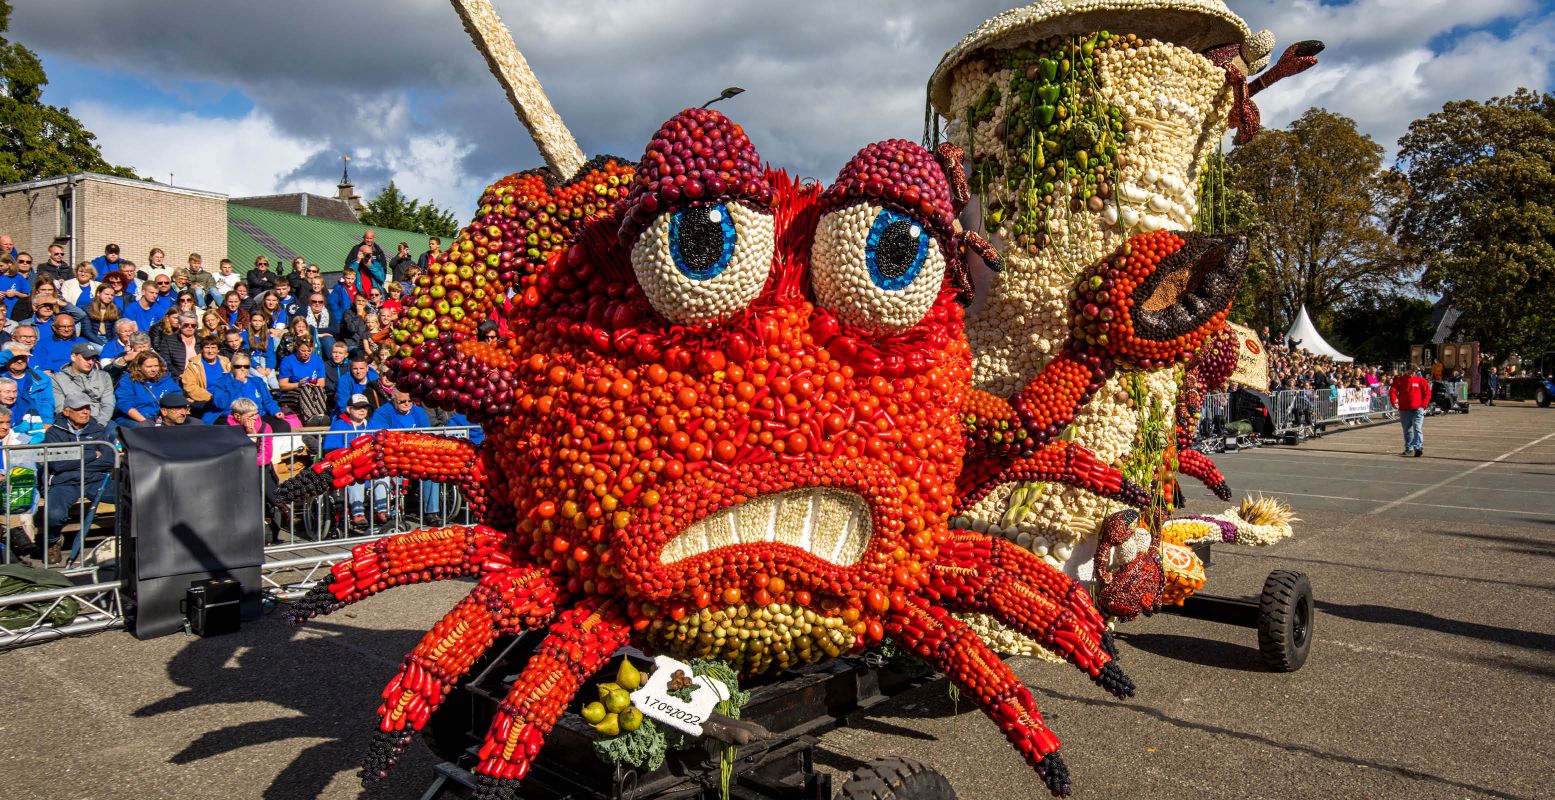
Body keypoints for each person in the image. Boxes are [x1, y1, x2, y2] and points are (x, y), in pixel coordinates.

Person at [40, 391, 116, 565]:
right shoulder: (54, 433)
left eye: (87, 408)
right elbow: (57, 464)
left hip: (94, 480)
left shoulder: (97, 429)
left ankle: (129, 538)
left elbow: (108, 459)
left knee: (130, 495)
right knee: (54, 514)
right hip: (65, 482)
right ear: (66, 411)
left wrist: (73, 458)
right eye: (79, 409)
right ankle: (53, 541)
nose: (85, 412)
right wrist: (91, 454)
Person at [369, 390, 439, 517]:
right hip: (394, 455)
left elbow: (427, 434)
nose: (406, 404)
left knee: (431, 470)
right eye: (402, 401)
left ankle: (432, 512)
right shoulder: (383, 412)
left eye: (409, 401)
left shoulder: (418, 411)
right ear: (393, 401)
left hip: (416, 453)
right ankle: (394, 511)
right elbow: (381, 436)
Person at [223, 397, 282, 543]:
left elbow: (265, 456)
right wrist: (251, 441)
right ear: (237, 416)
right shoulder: (226, 428)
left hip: (258, 469)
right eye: (250, 416)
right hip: (234, 471)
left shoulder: (264, 427)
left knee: (263, 479)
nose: (255, 418)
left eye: (256, 414)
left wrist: (253, 438)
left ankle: (278, 508)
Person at [325, 393, 390, 525]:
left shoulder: (373, 424)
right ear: (349, 409)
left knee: (384, 474)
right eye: (358, 407)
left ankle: (382, 510)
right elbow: (330, 449)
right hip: (349, 466)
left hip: (371, 465)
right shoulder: (339, 425)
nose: (362, 410)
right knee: (356, 477)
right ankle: (358, 513)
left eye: (365, 408)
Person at [209, 353, 284, 427]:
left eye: (246, 366)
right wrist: (237, 383)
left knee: (282, 426)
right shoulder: (222, 381)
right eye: (238, 366)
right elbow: (220, 404)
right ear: (232, 367)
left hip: (256, 416)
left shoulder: (257, 381)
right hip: (233, 418)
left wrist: (275, 411)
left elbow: (268, 401)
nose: (242, 369)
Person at [52, 342, 114, 428]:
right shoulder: (57, 379)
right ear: (73, 357)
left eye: (93, 359)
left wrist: (100, 424)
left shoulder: (103, 377)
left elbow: (108, 404)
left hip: (99, 420)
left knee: (115, 433)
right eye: (86, 358)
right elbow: (60, 407)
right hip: (71, 422)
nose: (90, 362)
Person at [114, 351, 179, 427]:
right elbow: (125, 404)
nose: (154, 369)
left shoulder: (165, 379)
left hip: (160, 417)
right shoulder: (129, 380)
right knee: (148, 429)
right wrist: (146, 422)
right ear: (139, 367)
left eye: (156, 366)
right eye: (149, 366)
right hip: (136, 419)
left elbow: (177, 396)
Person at [2, 341, 54, 429]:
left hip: (33, 423)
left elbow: (46, 403)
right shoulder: (1, 376)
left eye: (23, 357)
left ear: (28, 359)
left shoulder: (41, 378)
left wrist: (46, 422)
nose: (19, 361)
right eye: (15, 357)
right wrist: (8, 354)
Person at [278, 338, 328, 422]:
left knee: (319, 389)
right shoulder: (288, 361)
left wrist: (315, 384)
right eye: (303, 351)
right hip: (293, 391)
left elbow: (322, 382)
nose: (306, 354)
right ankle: (310, 418)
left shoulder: (317, 360)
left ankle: (321, 416)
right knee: (305, 389)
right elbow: (282, 385)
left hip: (313, 389)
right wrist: (298, 384)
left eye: (309, 351)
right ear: (297, 348)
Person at [180, 335, 229, 415]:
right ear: (202, 349)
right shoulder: (193, 365)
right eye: (207, 347)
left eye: (213, 347)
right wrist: (211, 398)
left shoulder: (225, 362)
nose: (210, 351)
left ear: (218, 349)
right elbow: (189, 386)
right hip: (204, 401)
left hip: (224, 399)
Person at [1388, 370, 1433, 457]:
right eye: (1408, 372)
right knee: (1407, 429)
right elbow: (1393, 390)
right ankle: (1409, 448)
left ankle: (1418, 447)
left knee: (1417, 428)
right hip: (1404, 409)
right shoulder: (1400, 380)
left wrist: (1423, 405)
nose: (1410, 374)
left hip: (1417, 409)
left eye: (1412, 372)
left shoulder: (1420, 380)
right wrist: (1394, 402)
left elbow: (1427, 392)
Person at [153, 312, 201, 377]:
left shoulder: (202, 341)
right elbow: (165, 361)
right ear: (179, 325)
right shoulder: (168, 340)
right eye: (186, 325)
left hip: (201, 377)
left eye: (193, 325)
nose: (190, 327)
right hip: (178, 378)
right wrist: (179, 374)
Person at [0, 376, 47, 443]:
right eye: (7, 392)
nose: (12, 396)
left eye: (15, 392)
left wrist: (16, 438)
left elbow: (38, 436)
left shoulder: (28, 409)